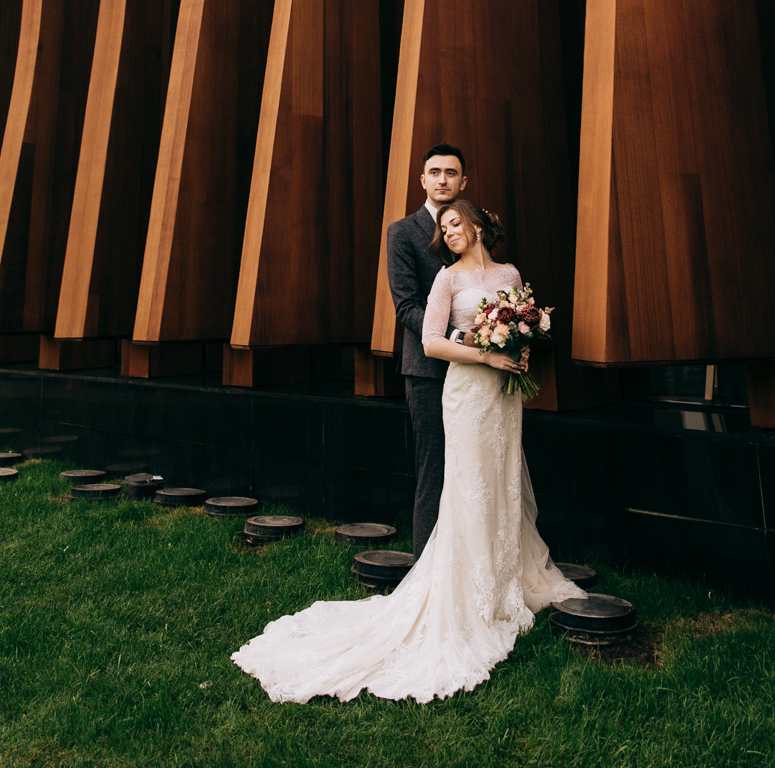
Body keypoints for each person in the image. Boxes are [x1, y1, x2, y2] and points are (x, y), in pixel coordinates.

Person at [231, 200, 583, 703]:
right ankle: (471, 593)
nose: (449, 233)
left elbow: (522, 325)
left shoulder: (510, 272)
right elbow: (433, 342)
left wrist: (518, 348)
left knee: (503, 478)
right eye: (444, 228)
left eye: (456, 223)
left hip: (504, 400)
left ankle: (506, 578)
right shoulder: (446, 279)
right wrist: (487, 353)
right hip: (466, 393)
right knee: (469, 488)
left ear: (479, 225)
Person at [385, 144, 468, 558]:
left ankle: (468, 565)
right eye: (434, 172)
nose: (442, 179)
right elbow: (406, 306)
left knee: (472, 469)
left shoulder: (475, 228)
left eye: (450, 173)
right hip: (427, 370)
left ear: (462, 182)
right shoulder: (402, 232)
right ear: (422, 180)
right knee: (433, 470)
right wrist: (456, 338)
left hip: (478, 372)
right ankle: (426, 571)